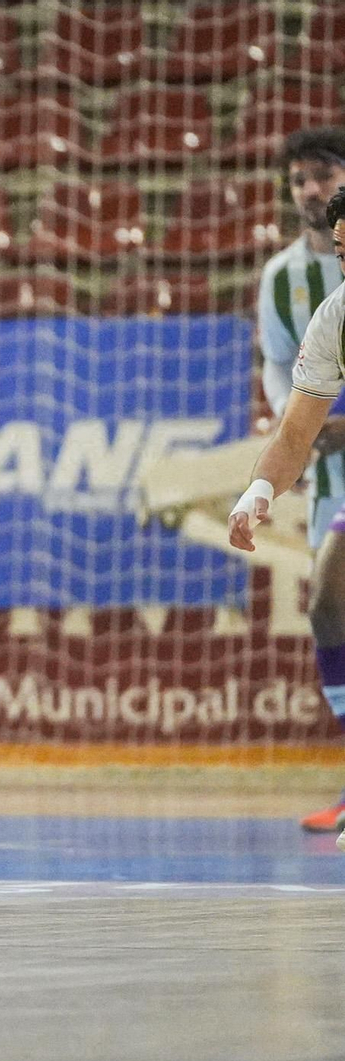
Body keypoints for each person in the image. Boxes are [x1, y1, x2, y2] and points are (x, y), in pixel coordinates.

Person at [232, 185, 345, 849]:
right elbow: (296, 432)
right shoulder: (335, 315)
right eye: (342, 252)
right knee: (330, 596)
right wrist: (259, 492)